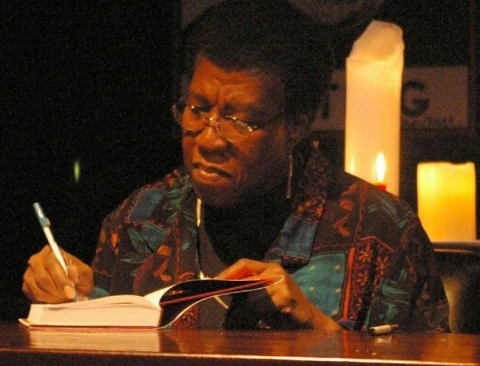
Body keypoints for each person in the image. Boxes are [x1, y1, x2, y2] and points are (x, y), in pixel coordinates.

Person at [22, 0, 449, 331]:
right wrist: (67, 299)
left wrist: (320, 331)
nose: (209, 139)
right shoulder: (139, 222)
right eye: (197, 109)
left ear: (297, 123)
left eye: (240, 120)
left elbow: (431, 358)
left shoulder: (380, 232)